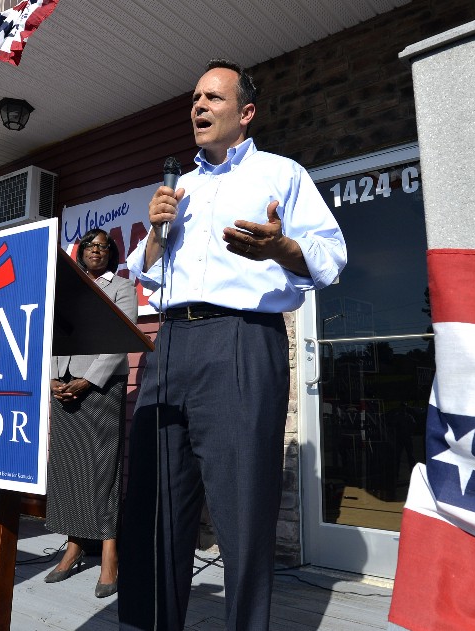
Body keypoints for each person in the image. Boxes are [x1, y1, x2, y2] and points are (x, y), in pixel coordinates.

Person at [117, 59, 347, 630]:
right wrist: (154, 234)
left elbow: (330, 258)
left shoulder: (280, 174)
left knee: (243, 514)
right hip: (170, 346)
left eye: (213, 98)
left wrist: (280, 249)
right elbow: (141, 274)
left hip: (242, 343)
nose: (198, 106)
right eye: (195, 97)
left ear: (244, 113)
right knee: (155, 507)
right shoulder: (181, 188)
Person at [44, 228, 138, 598]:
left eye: (103, 246)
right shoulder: (67, 287)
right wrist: (51, 377)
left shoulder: (122, 287)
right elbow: (52, 333)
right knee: (69, 467)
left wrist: (89, 379)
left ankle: (110, 553)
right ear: (80, 252)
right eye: (90, 246)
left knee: (102, 469)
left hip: (99, 388)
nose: (96, 251)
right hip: (62, 387)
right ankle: (74, 546)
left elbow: (123, 337)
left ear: (111, 254)